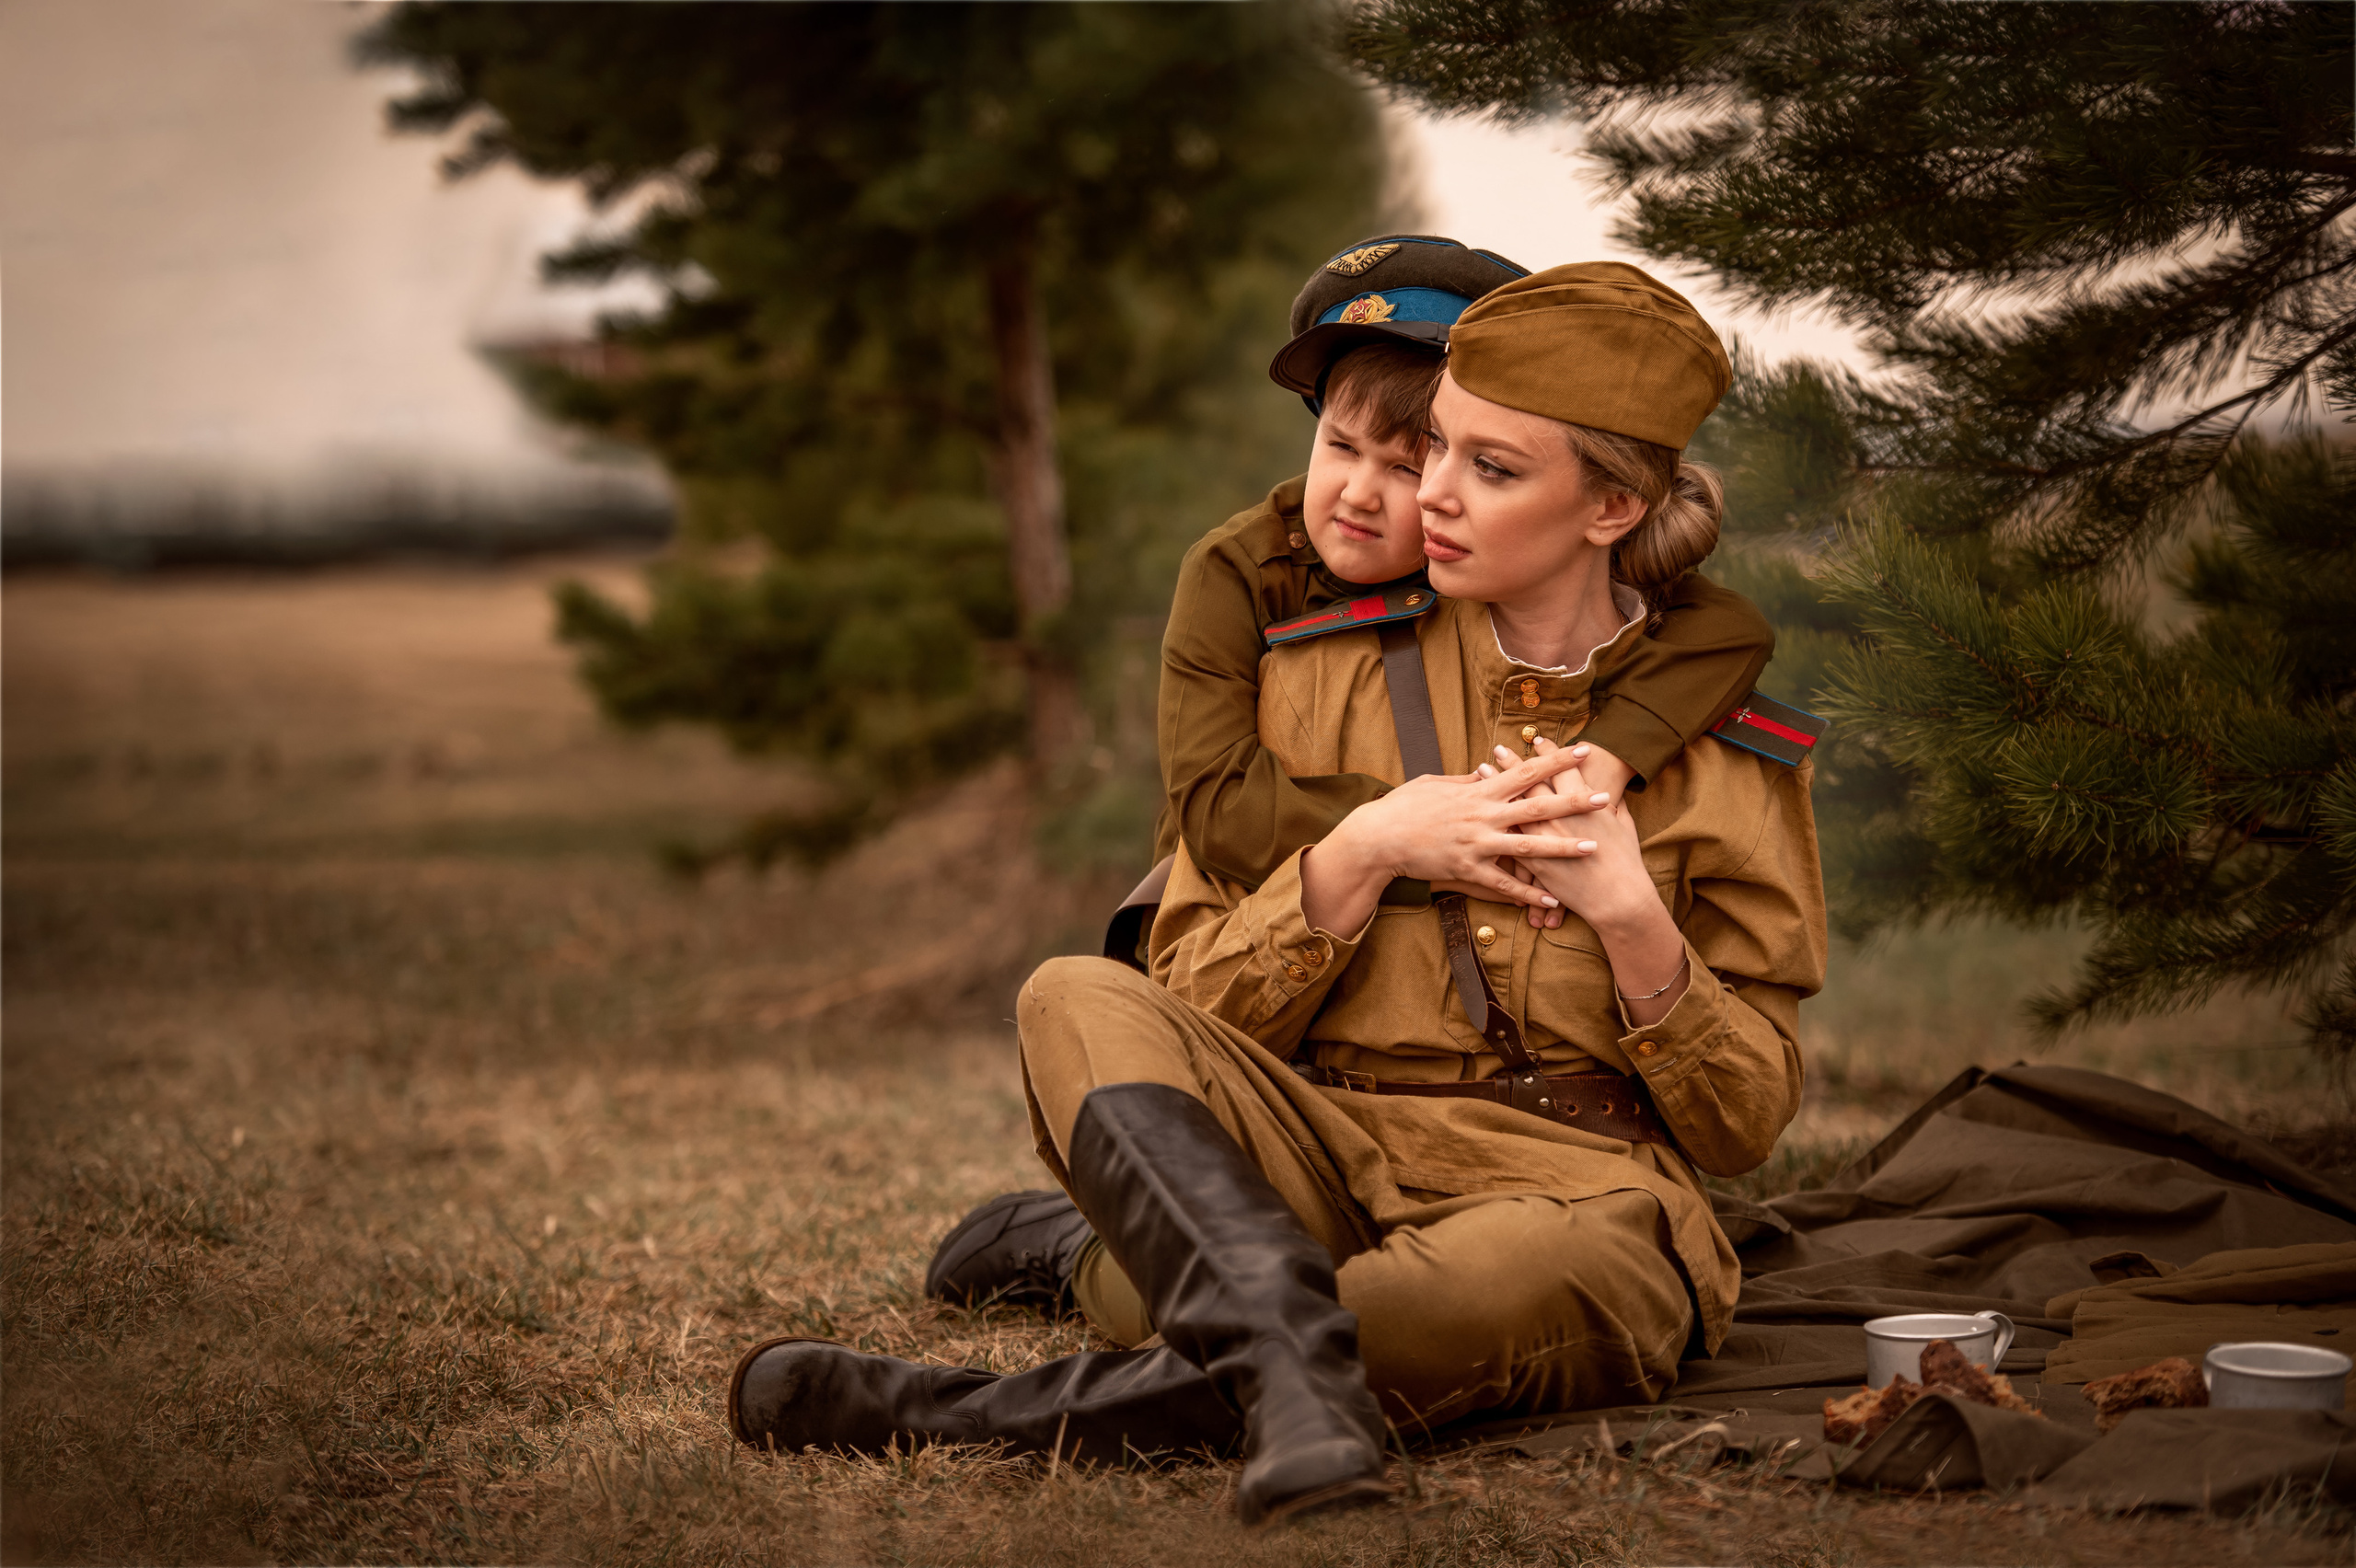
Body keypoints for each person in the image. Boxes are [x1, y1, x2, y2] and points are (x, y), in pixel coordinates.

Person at [726, 262, 1826, 1528]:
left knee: (1414, 1307)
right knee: (1074, 996)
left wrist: (1636, 924)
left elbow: (1747, 1125)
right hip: (1309, 1147)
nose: (1432, 498)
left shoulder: (1724, 749)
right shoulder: (1303, 670)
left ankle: (959, 1407)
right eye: (1439, 454)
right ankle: (1264, 1341)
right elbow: (1192, 1004)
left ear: (1611, 508)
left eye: (1487, 468)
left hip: (1570, 1193)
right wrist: (1356, 854)